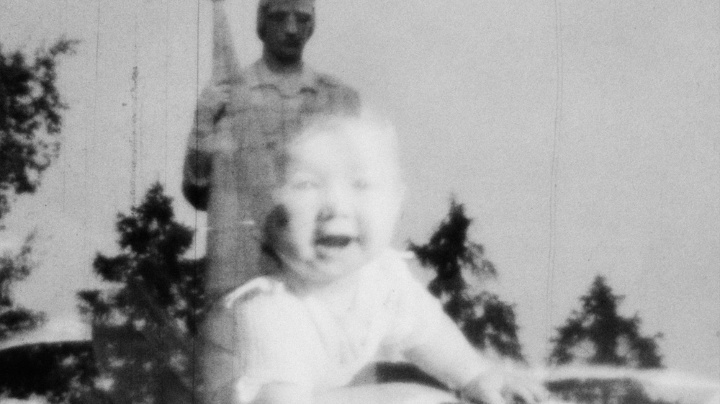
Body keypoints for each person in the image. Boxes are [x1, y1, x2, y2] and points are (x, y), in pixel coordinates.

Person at [223, 116, 548, 404]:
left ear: (395, 203)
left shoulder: (383, 280)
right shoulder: (267, 310)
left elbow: (429, 333)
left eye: (361, 184)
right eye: (306, 184)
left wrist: (476, 376)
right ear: (261, 214)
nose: (336, 205)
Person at [183, 0, 360, 298]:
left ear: (312, 25)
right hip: (242, 273)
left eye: (301, 18)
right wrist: (203, 121)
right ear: (262, 23)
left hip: (314, 274)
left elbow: (355, 194)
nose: (291, 29)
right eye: (279, 17)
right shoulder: (226, 97)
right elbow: (198, 190)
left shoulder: (337, 99)